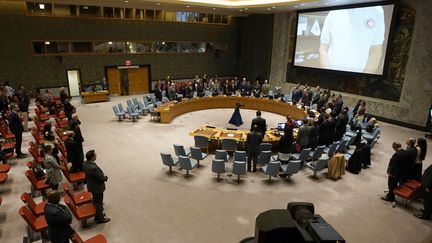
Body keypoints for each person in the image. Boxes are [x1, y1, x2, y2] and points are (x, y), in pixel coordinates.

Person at [319, 6, 385, 74]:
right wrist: (328, 73)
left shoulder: (377, 10)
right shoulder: (334, 11)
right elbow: (323, 49)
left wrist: (363, 78)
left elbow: (376, 51)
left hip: (358, 79)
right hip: (332, 76)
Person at [83, 150, 110, 224]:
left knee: (96, 201)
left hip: (91, 185)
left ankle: (98, 215)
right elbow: (100, 178)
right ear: (92, 158)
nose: (96, 156)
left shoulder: (85, 164)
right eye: (95, 155)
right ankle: (100, 219)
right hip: (97, 187)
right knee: (98, 203)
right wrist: (105, 178)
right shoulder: (93, 168)